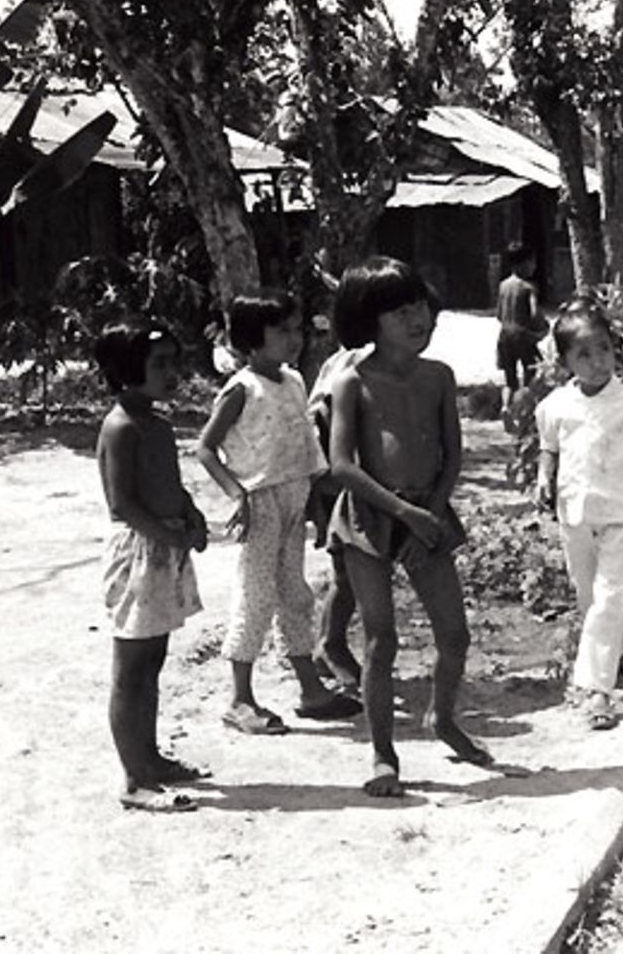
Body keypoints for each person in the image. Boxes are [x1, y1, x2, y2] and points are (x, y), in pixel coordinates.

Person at [327, 256, 493, 797]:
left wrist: (433, 514)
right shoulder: (352, 381)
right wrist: (404, 514)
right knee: (381, 638)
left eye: (419, 304)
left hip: (428, 516)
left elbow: (451, 455)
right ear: (368, 320)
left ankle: (443, 717)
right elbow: (342, 465)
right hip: (368, 518)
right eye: (400, 311)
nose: (417, 317)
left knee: (454, 634)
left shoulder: (439, 377)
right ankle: (383, 753)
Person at [197, 290, 361, 735]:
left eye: (297, 329)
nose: (294, 339)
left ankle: (310, 690)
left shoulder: (293, 381)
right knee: (256, 597)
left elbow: (304, 445)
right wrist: (238, 496)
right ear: (251, 340)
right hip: (262, 503)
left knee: (296, 594)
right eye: (281, 331)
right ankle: (240, 698)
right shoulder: (241, 389)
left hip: (294, 500)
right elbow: (206, 448)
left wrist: (318, 492)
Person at [94, 321, 209, 813]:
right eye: (157, 363)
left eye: (173, 361)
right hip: (140, 551)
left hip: (165, 546)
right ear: (126, 369)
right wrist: (167, 535)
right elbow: (123, 503)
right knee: (131, 668)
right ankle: (134, 779)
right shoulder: (120, 426)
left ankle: (150, 757)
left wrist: (192, 514)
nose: (171, 372)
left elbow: (170, 483)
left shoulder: (158, 425)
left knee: (154, 661)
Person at [535, 300, 623, 731]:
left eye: (604, 349)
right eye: (584, 355)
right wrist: (543, 477)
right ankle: (615, 653)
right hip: (575, 513)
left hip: (621, 513)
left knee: (609, 596)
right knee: (588, 596)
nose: (597, 362)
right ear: (565, 360)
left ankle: (597, 691)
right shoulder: (555, 405)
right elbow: (549, 446)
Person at [307, 337, 372, 695]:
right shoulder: (353, 363)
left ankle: (329, 644)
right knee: (349, 572)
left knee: (349, 574)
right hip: (342, 480)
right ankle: (330, 645)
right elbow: (324, 422)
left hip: (359, 480)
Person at [496, 242, 544, 408]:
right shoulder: (528, 287)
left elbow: (499, 314)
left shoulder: (503, 285)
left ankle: (506, 408)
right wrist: (541, 329)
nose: (534, 266)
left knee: (510, 380)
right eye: (532, 262)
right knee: (532, 373)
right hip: (522, 336)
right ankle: (525, 410)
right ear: (524, 263)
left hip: (504, 336)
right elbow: (535, 313)